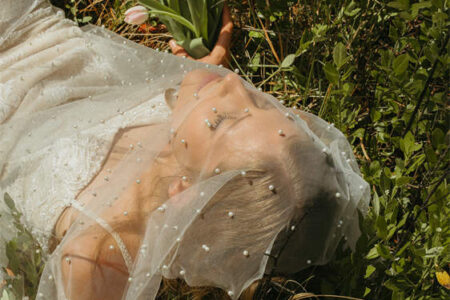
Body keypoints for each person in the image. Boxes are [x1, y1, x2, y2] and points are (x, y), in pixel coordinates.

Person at [0, 1, 370, 299]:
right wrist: (202, 80)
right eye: (266, 105)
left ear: (186, 196)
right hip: (40, 39)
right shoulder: (188, 129)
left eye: (224, 121)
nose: (236, 87)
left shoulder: (96, 261)